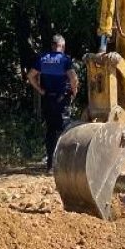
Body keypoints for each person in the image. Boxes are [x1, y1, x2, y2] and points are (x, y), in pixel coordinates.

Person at [26, 34, 79, 172]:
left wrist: (40, 90)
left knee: (50, 130)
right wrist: (74, 91)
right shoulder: (65, 59)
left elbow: (30, 76)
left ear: (52, 45)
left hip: (48, 99)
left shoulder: (42, 58)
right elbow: (73, 78)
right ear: (63, 46)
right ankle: (64, 163)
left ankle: (50, 165)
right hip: (61, 99)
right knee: (64, 128)